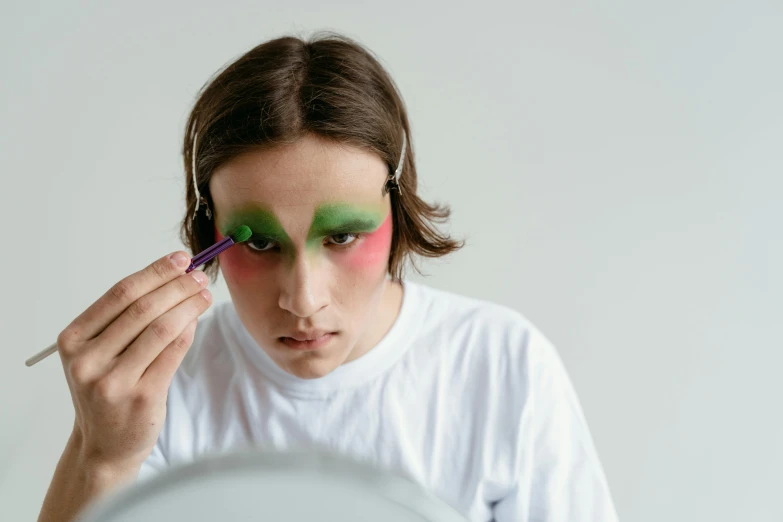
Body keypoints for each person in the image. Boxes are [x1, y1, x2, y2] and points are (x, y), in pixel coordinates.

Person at [37, 33, 618, 522]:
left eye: (342, 237)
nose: (303, 300)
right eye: (259, 241)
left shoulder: (500, 363)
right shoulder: (161, 391)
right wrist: (104, 456)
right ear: (207, 226)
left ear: (397, 208)